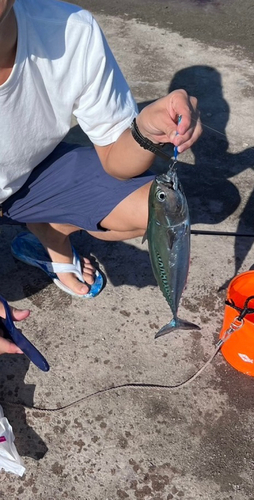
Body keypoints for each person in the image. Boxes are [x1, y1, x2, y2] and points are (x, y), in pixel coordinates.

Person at [0, 0, 202, 354]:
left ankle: (50, 236)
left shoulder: (72, 30)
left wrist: (144, 131)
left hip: (26, 177)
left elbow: (115, 159)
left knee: (155, 210)